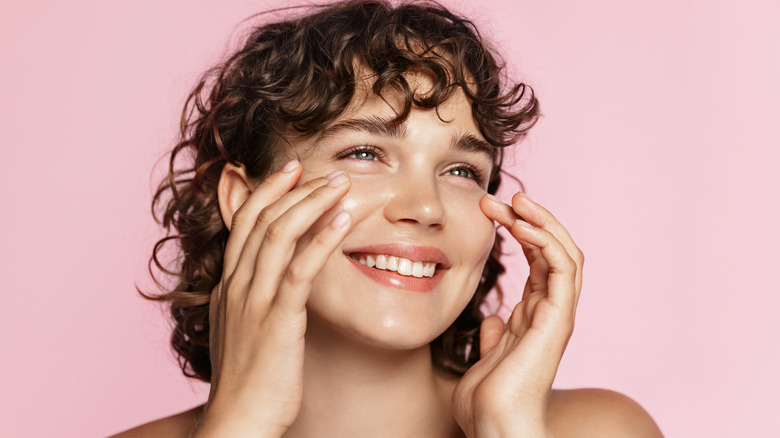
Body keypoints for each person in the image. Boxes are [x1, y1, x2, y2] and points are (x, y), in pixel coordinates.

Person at [113, 1, 663, 436]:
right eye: (365, 154)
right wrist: (238, 429)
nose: (425, 207)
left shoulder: (600, 431)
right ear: (243, 198)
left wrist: (508, 432)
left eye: (462, 171)